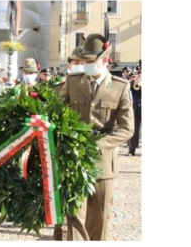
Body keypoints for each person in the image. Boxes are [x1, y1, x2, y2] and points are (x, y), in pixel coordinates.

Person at [59, 33, 134, 241]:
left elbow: (127, 128)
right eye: (84, 61)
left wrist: (100, 143)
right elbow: (57, 112)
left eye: (91, 61)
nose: (86, 65)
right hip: (74, 160)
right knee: (74, 216)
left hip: (102, 162)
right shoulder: (73, 81)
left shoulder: (120, 86)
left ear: (105, 60)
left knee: (100, 218)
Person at [127, 65, 142, 156]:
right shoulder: (133, 81)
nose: (140, 74)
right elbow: (132, 90)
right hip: (136, 108)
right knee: (134, 130)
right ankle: (131, 149)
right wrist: (135, 83)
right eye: (139, 72)